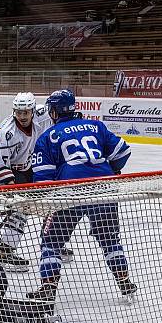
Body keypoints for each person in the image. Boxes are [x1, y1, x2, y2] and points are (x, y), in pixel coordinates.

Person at [27, 89, 136, 302]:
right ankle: (124, 280)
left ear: (55, 111)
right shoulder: (96, 126)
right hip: (104, 187)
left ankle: (49, 286)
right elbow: (122, 152)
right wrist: (110, 170)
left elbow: (43, 177)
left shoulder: (48, 136)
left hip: (70, 191)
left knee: (51, 241)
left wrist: (47, 200)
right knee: (110, 238)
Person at [0, 91, 75, 271]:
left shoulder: (43, 114)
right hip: (7, 168)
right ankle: (5, 252)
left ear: (33, 110)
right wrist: (13, 195)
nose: (22, 116)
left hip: (29, 163)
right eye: (18, 112)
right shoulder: (6, 133)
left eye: (26, 112)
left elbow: (56, 110)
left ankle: (52, 243)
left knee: (51, 202)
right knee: (21, 208)